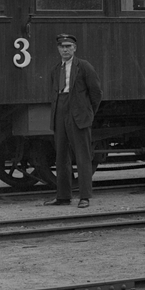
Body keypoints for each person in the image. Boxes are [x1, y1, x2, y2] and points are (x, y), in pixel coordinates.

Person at [45, 33, 102, 208]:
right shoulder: (55, 70)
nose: (65, 50)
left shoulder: (84, 66)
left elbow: (96, 93)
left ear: (74, 48)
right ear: (58, 49)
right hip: (60, 113)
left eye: (68, 46)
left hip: (78, 114)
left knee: (82, 156)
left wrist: (88, 113)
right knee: (61, 156)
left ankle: (85, 197)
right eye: (62, 47)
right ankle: (63, 196)